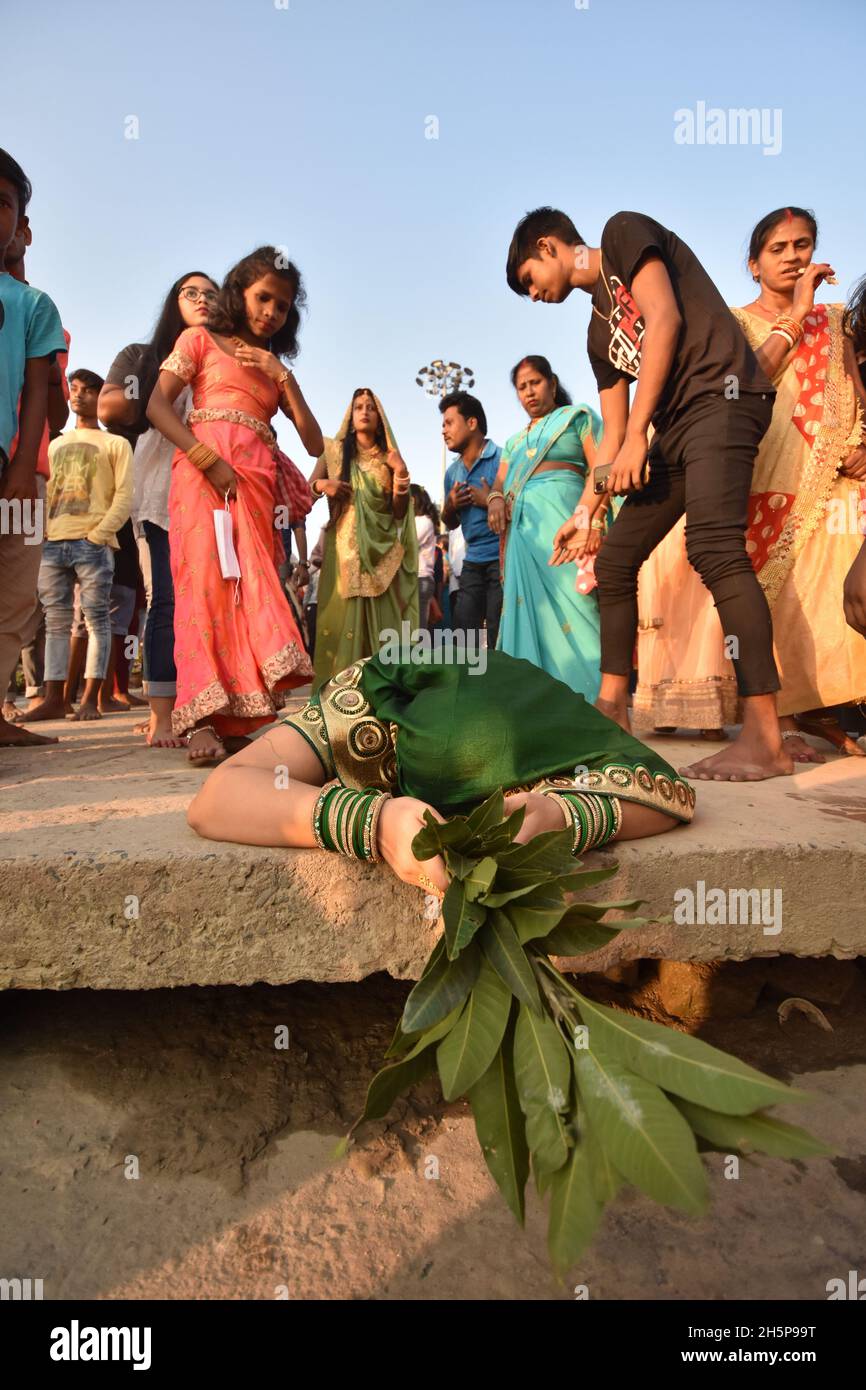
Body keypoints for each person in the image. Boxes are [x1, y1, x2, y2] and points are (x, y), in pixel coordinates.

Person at [507, 206, 791, 783]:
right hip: (676, 427)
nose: (533, 297)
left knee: (713, 548)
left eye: (529, 281)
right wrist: (586, 510)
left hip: (725, 397)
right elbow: (610, 439)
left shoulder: (621, 234)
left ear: (548, 245)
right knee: (612, 562)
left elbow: (663, 320)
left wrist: (640, 434)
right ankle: (613, 711)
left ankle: (766, 738)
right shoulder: (595, 337)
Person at [634, 210, 866, 758]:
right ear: (753, 263)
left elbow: (857, 387)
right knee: (776, 594)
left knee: (834, 588)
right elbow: (739, 383)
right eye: (778, 247)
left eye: (802, 244)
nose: (793, 256)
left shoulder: (837, 322)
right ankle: (784, 718)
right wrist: (795, 317)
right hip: (761, 471)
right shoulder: (733, 323)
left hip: (834, 474)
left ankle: (837, 709)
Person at [187, 647, 696, 896]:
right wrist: (376, 823)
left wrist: (559, 816)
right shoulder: (368, 703)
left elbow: (668, 794)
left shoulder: (568, 729)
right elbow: (217, 799)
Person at [147, 246, 322, 763]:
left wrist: (281, 374)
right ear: (239, 293)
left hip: (255, 486)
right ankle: (198, 719)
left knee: (245, 595)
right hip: (202, 478)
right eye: (263, 297)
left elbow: (314, 444)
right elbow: (156, 405)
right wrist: (205, 457)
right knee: (202, 588)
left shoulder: (273, 368)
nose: (271, 311)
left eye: (283, 306)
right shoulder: (199, 339)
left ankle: (239, 719)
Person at [99, 270, 220, 746]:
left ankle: (208, 707)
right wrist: (154, 396)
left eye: (213, 294)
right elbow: (109, 408)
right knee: (166, 602)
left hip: (211, 499)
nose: (204, 300)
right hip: (160, 498)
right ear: (175, 301)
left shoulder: (221, 358)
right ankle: (163, 715)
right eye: (192, 292)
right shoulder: (142, 357)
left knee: (208, 604)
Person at [487, 355, 605, 699]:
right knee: (529, 610)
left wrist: (591, 521)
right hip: (525, 534)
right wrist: (495, 498)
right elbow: (499, 484)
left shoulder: (576, 418)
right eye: (521, 388)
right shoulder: (512, 442)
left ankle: (592, 697)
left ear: (552, 384)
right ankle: (532, 699)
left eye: (535, 383)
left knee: (578, 606)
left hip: (569, 520)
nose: (528, 392)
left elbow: (603, 469)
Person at [0, 148, 67, 748]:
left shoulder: (35, 309)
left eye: (4, 205)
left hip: (19, 468)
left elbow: (48, 403)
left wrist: (23, 464)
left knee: (18, 592)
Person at [26, 370, 133, 721]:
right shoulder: (53, 444)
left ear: (101, 397)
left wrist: (100, 535)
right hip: (52, 541)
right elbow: (41, 492)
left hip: (93, 542)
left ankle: (90, 698)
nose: (78, 396)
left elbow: (125, 495)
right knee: (56, 622)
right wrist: (40, 534)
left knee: (95, 621)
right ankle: (54, 697)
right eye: (73, 389)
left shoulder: (116, 443)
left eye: (88, 391)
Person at [309, 388, 418, 690]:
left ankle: (382, 693)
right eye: (359, 406)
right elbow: (304, 494)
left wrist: (401, 474)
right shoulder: (332, 452)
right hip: (342, 553)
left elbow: (398, 514)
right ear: (351, 413)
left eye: (371, 406)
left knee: (383, 629)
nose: (365, 411)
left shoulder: (390, 458)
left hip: (380, 554)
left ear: (379, 416)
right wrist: (322, 484)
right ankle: (340, 695)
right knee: (340, 623)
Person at [440, 391, 502, 647]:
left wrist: (490, 500)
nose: (444, 431)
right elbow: (450, 522)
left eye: (449, 423)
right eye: (443, 425)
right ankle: (467, 686)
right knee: (463, 637)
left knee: (501, 635)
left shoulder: (503, 459)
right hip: (472, 561)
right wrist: (451, 505)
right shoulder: (452, 472)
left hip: (503, 560)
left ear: (472, 423)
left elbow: (521, 511)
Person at [411, 483, 439, 627]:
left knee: (418, 629)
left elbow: (407, 544)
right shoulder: (414, 521)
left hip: (420, 579)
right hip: (414, 579)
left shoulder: (424, 522)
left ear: (413, 500)